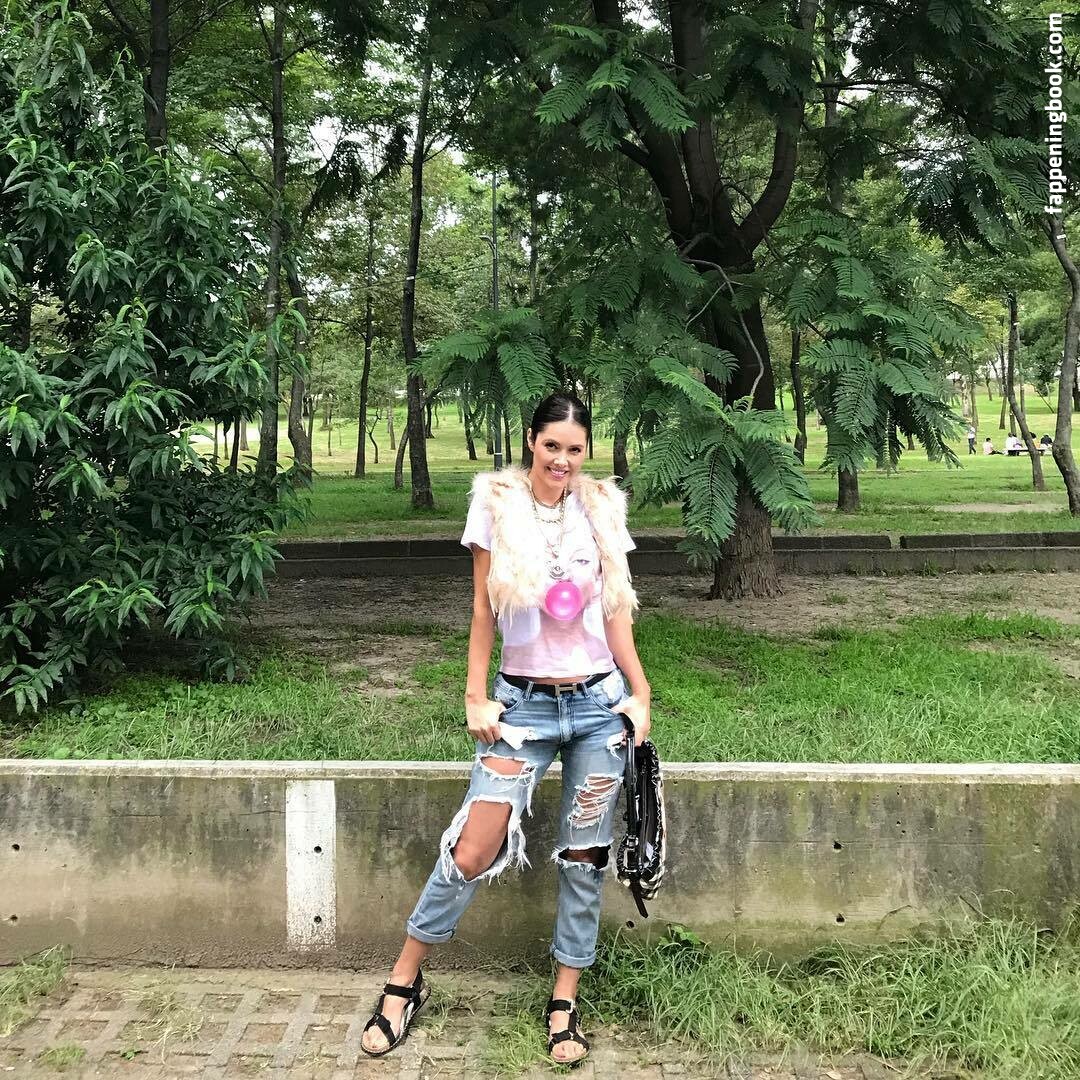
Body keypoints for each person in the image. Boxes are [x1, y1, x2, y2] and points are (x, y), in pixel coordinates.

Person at [360, 391, 651, 1067]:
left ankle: (564, 1002)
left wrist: (640, 693)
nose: (562, 461)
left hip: (597, 707)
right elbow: (482, 610)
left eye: (574, 449)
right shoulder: (495, 503)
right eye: (552, 446)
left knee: (584, 857)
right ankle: (404, 981)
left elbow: (616, 612)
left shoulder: (602, 507)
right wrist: (475, 696)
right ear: (530, 441)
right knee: (472, 846)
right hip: (522, 708)